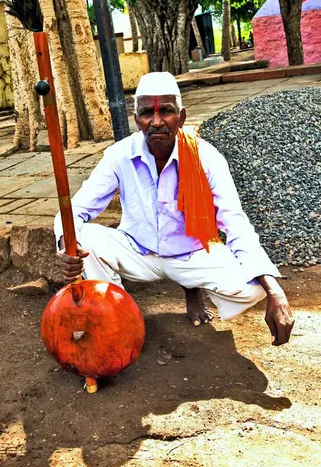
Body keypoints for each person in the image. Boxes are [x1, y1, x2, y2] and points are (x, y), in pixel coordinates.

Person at [55, 72, 294, 346]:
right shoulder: (119, 156)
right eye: (147, 113)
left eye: (165, 111)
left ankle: (191, 289)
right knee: (84, 236)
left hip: (191, 255)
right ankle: (117, 316)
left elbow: (235, 222)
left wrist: (276, 291)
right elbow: (75, 210)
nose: (156, 122)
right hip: (138, 251)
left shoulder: (207, 157)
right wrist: (67, 246)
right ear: (137, 120)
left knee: (253, 289)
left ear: (181, 117)